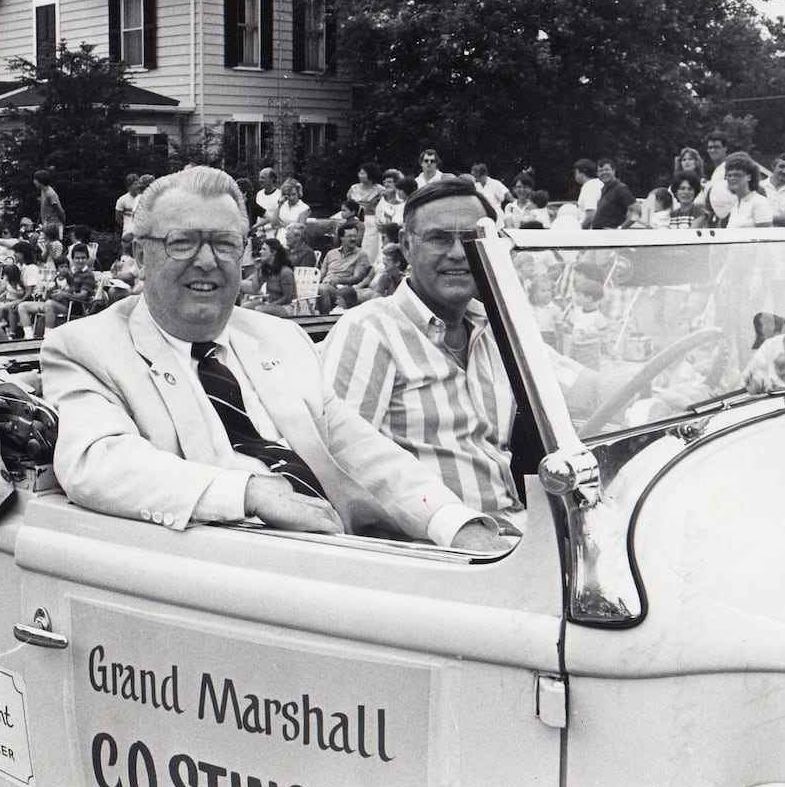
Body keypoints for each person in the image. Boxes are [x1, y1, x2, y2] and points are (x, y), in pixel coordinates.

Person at [40, 166, 509, 549]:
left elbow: (363, 451)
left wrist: (452, 521)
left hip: (344, 555)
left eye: (224, 244)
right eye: (182, 242)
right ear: (140, 257)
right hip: (232, 575)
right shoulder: (86, 347)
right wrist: (249, 492)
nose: (207, 261)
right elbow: (99, 461)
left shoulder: (280, 338)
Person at [321, 178, 589, 536]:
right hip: (436, 549)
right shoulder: (370, 330)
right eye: (439, 238)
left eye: (470, 239)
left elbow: (583, 386)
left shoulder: (497, 328)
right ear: (405, 245)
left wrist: (670, 395)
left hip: (516, 530)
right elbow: (338, 462)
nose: (459, 253)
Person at [316, 222, 372, 314]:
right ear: (342, 238)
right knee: (315, 288)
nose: (353, 239)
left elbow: (357, 278)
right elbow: (322, 272)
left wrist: (339, 280)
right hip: (327, 283)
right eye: (350, 236)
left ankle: (325, 318)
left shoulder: (361, 255)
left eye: (355, 236)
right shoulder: (331, 253)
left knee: (322, 289)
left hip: (344, 288)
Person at [241, 238, 296, 316]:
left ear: (273, 252)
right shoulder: (267, 269)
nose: (260, 252)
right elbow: (255, 289)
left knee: (259, 310)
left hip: (286, 307)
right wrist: (257, 269)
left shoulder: (285, 272)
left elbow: (287, 298)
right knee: (244, 308)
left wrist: (269, 305)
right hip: (271, 303)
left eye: (264, 249)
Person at [723, 152, 773, 228]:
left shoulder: (759, 201)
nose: (732, 178)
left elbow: (765, 235)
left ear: (749, 177)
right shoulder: (735, 207)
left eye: (737, 175)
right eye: (729, 175)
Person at [590, 160, 636, 229]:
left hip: (612, 237)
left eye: (607, 170)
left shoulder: (620, 188)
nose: (604, 173)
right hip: (600, 235)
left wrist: (619, 229)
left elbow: (637, 211)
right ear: (597, 174)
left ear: (614, 171)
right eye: (600, 171)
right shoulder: (604, 189)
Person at [268, 180, 311, 245]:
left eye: (293, 194)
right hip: (279, 239)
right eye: (288, 195)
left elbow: (299, 229)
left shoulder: (304, 208)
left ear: (298, 193)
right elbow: (273, 224)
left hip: (294, 242)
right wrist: (279, 206)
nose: (291, 197)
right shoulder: (282, 205)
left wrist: (281, 224)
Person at [574, 159, 602, 228]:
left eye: (576, 172)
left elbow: (590, 216)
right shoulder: (600, 183)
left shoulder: (589, 187)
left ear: (583, 172)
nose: (575, 175)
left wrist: (580, 231)